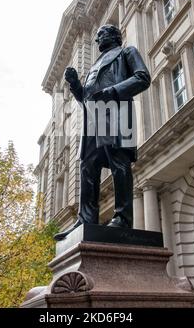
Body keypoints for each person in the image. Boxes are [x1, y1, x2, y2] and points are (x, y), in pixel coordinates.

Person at [54, 24, 151, 241]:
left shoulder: (127, 52)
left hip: (117, 114)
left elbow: (143, 77)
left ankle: (123, 218)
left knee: (119, 163)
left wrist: (113, 91)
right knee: (87, 166)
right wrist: (75, 85)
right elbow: (86, 99)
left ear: (113, 35)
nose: (97, 40)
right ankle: (86, 219)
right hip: (93, 119)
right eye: (96, 37)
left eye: (100, 35)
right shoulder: (94, 65)